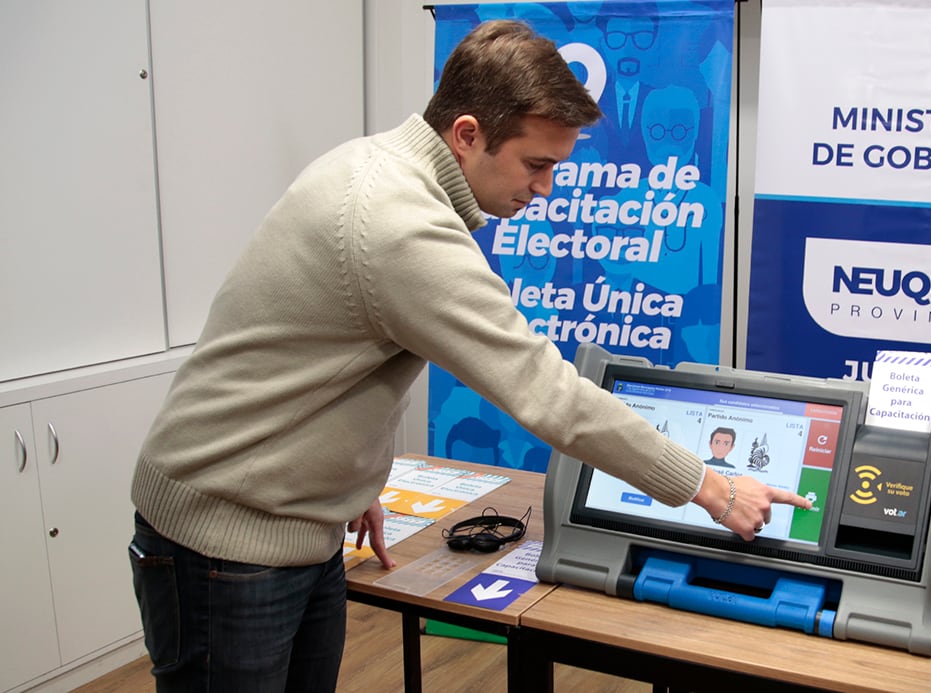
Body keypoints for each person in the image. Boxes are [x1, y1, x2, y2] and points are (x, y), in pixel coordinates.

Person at [127, 20, 808, 692]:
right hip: (225, 535)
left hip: (291, 521)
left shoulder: (378, 164)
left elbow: (333, 355)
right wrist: (712, 487)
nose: (544, 189)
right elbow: (547, 392)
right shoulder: (397, 221)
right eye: (536, 164)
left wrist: (348, 481)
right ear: (467, 134)